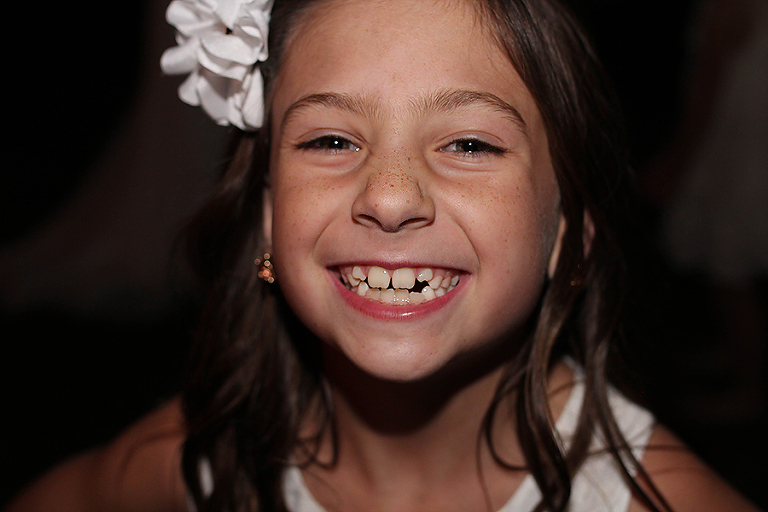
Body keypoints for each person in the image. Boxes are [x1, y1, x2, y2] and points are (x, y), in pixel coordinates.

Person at [5, 0, 762, 511]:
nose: (391, 197)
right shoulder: (207, 454)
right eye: (332, 139)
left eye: (470, 144)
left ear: (568, 235)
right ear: (267, 219)